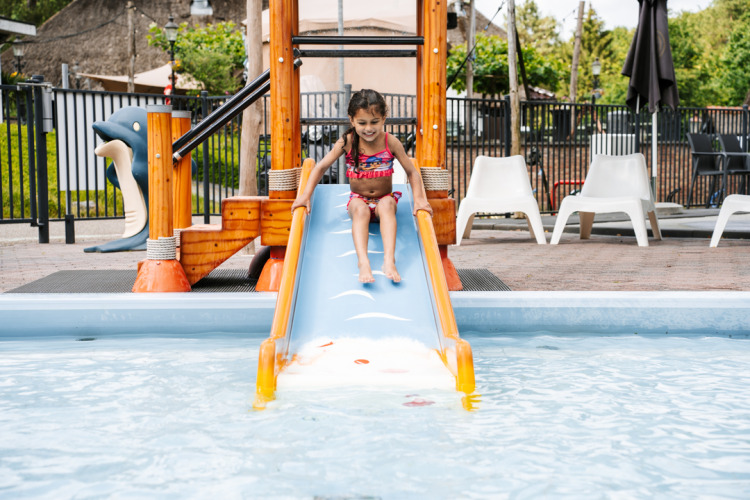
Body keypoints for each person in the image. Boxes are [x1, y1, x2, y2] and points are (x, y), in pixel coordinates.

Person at [291, 89, 432, 284]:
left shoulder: (390, 142)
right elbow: (321, 166)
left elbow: (412, 172)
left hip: (384, 198)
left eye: (374, 122)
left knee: (388, 205)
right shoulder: (348, 141)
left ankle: (389, 260)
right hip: (359, 200)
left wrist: (419, 200)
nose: (368, 128)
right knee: (361, 210)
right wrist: (305, 195)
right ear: (352, 121)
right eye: (362, 123)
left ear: (384, 118)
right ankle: (363, 262)